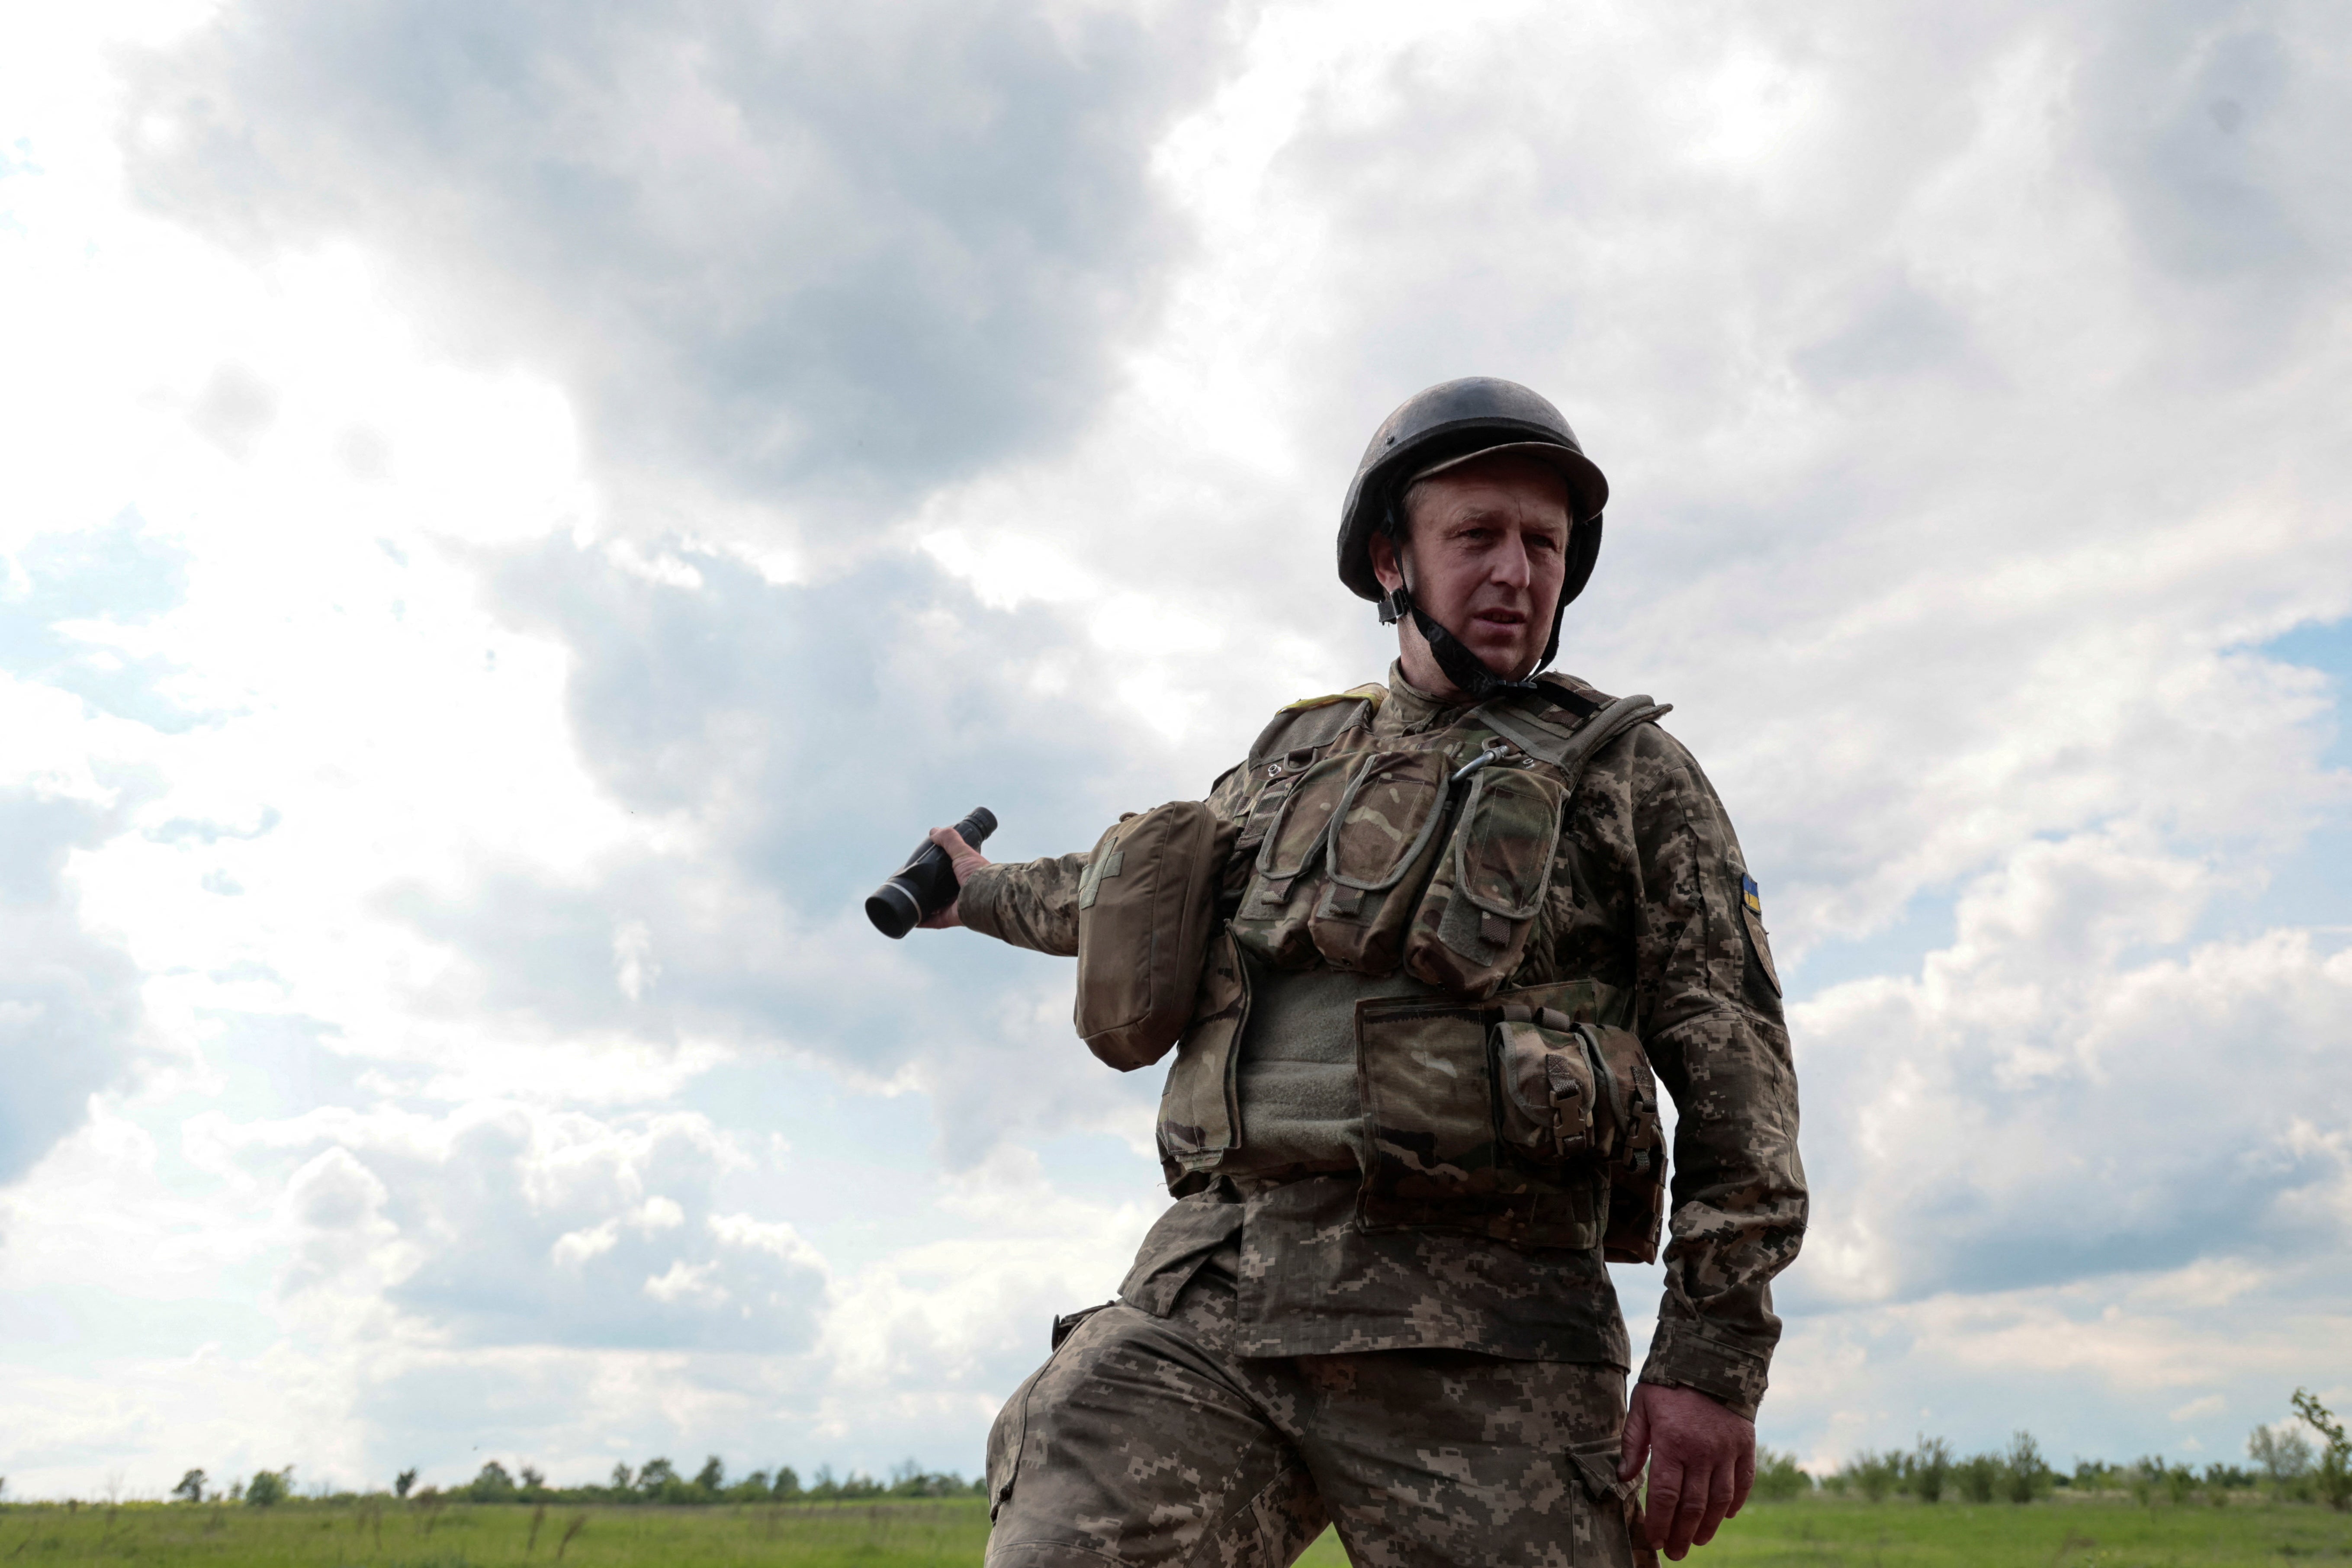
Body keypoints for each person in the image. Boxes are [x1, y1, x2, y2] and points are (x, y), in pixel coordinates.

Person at [922, 378, 1807, 1568]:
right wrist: (970, 887)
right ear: (1392, 560)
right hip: (1217, 1306)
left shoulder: (1632, 776)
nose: (1515, 572)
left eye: (1542, 544)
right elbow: (1113, 895)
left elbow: (1738, 1078)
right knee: (1071, 1487)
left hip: (1487, 1342)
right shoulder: (1290, 764)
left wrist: (1712, 1363)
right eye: (1476, 536)